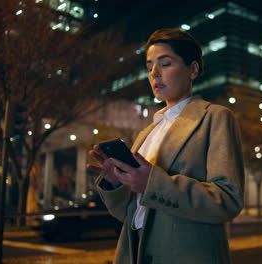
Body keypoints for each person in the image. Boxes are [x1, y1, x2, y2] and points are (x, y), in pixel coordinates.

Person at [87, 28, 245, 264]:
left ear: (193, 69)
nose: (155, 73)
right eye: (150, 66)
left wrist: (152, 183)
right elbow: (133, 214)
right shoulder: (147, 132)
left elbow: (228, 200)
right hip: (135, 252)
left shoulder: (215, 117)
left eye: (166, 63)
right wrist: (116, 183)